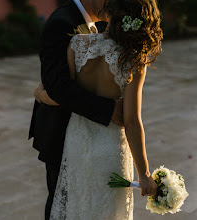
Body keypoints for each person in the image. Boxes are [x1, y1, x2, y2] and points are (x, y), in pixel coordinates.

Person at [34, 0, 163, 219]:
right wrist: (144, 174)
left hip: (75, 143)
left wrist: (39, 95)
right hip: (110, 145)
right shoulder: (133, 59)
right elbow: (132, 122)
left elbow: (62, 93)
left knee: (74, 207)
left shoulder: (77, 44)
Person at [28, 0, 124, 219]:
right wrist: (108, 109)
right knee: (61, 206)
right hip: (60, 133)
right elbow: (58, 87)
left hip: (88, 137)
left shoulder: (98, 25)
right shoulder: (62, 22)